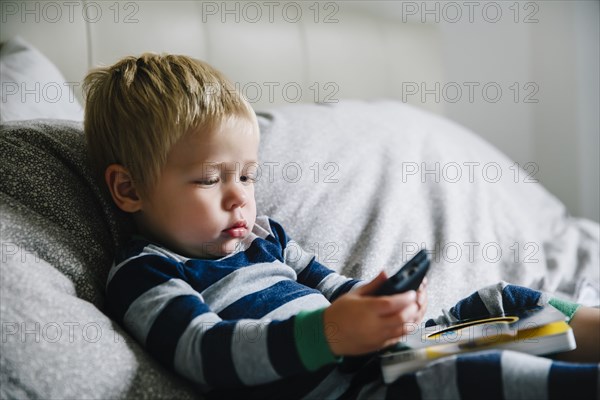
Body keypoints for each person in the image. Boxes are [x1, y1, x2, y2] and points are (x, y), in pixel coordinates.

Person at [83, 53, 599, 399]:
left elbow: (333, 286)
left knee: (503, 303)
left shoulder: (267, 238)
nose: (240, 195)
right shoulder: (145, 273)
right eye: (208, 179)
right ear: (129, 189)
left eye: (246, 174)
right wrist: (329, 333)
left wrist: (381, 305)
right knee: (475, 375)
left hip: (392, 353)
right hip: (357, 390)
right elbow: (204, 353)